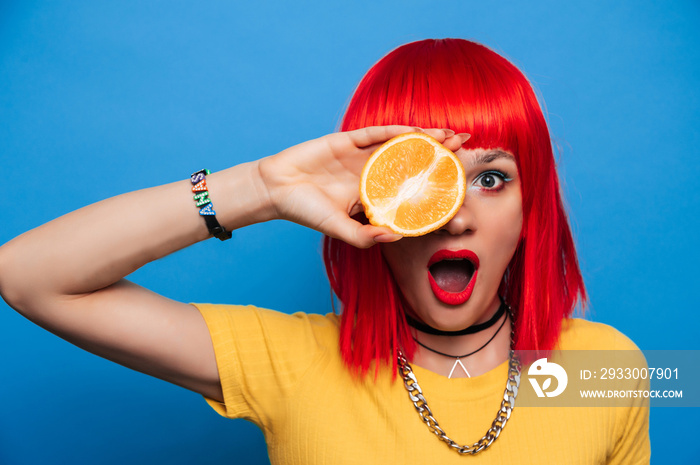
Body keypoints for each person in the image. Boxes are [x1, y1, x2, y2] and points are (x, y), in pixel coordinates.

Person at [0, 38, 649, 463]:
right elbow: (26, 275)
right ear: (369, 199)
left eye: (491, 177)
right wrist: (255, 187)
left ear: (530, 206)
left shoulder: (610, 367)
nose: (454, 217)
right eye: (417, 177)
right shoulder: (288, 360)